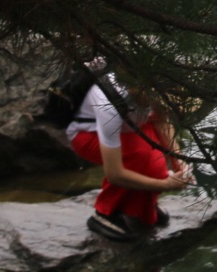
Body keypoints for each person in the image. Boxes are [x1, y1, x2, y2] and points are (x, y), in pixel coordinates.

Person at [67, 72, 192, 241]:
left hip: (129, 126)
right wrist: (165, 184)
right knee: (140, 156)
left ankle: (141, 205)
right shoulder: (109, 103)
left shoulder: (150, 87)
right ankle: (105, 212)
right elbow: (114, 173)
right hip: (89, 134)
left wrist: (180, 164)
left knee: (156, 163)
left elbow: (161, 120)